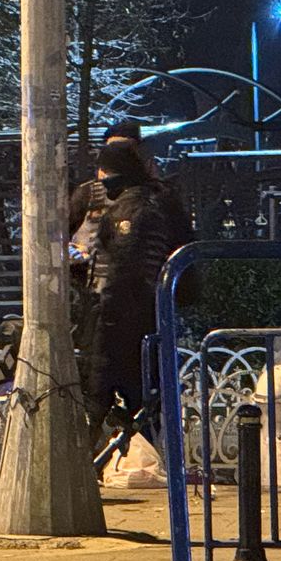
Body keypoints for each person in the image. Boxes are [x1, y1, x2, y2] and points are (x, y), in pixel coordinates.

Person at [71, 137, 195, 454]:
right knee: (139, 395)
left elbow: (128, 270)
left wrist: (107, 317)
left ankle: (86, 467)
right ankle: (149, 461)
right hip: (141, 315)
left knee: (101, 396)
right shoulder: (150, 203)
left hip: (122, 316)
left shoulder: (131, 211)